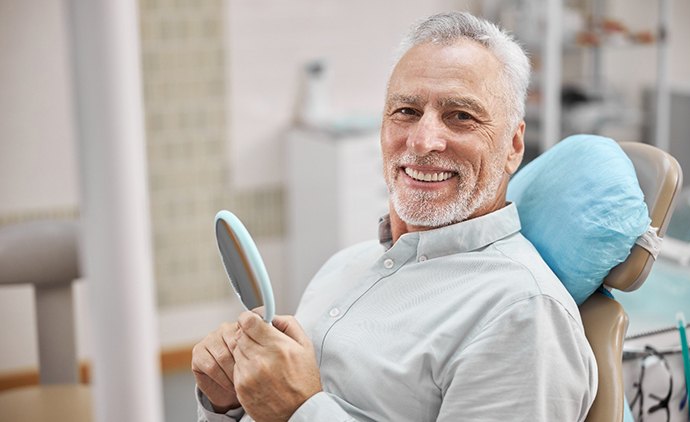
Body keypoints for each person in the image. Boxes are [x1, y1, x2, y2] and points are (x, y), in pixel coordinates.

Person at [192, 11, 597, 422]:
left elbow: (293, 408)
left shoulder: (522, 315)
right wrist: (229, 404)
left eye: (461, 116)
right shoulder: (345, 265)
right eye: (406, 111)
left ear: (513, 146)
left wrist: (299, 411)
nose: (423, 141)